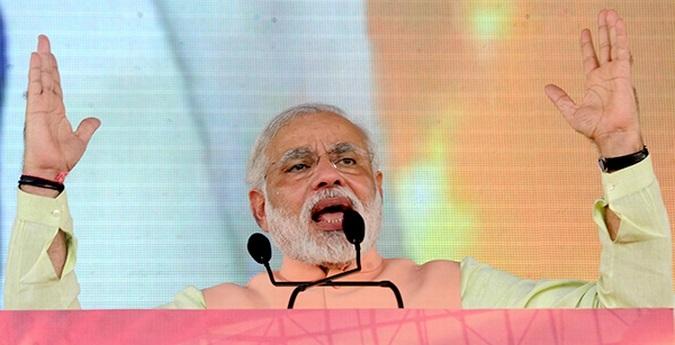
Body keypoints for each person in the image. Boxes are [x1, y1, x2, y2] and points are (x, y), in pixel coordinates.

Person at [3, 9, 672, 309]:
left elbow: (636, 323)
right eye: (297, 164)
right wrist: (42, 182)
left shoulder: (458, 292)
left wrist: (621, 154)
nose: (329, 172)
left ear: (376, 190)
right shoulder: (212, 314)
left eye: (347, 159)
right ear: (259, 207)